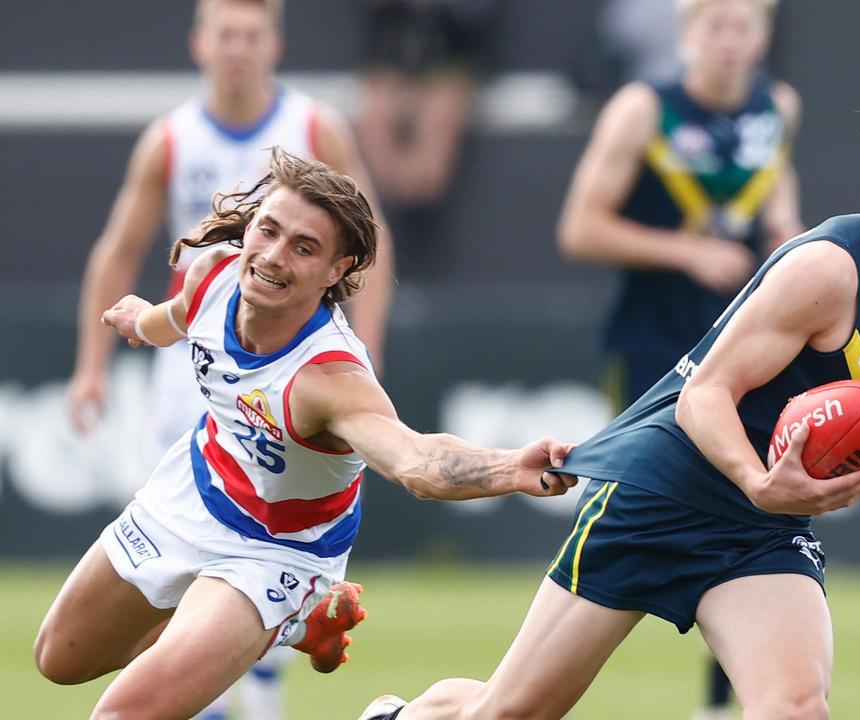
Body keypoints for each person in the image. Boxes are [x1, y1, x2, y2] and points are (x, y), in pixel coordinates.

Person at [359, 73, 860, 720]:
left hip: (758, 529)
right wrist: (759, 482)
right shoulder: (828, 269)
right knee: (507, 714)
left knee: (796, 708)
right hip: (660, 499)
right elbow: (703, 397)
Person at [34, 148, 577, 720]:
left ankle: (285, 613)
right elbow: (177, 318)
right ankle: (278, 626)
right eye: (267, 231)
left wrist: (511, 467)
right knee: (58, 659)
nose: (272, 257)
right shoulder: (213, 273)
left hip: (274, 551)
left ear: (336, 271)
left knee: (120, 716)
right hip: (192, 489)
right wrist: (138, 321)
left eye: (304, 247)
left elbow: (414, 460)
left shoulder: (330, 378)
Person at [64, 1, 395, 716]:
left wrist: (366, 353)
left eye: (252, 35)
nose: (239, 50)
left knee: (262, 540)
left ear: (273, 44)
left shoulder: (314, 128)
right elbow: (119, 246)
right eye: (227, 36)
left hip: (289, 365)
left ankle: (256, 690)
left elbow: (368, 238)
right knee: (177, 559)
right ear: (199, 45)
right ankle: (287, 630)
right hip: (199, 359)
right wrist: (91, 363)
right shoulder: (171, 138)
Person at [557, 0, 800, 714]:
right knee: (625, 517)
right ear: (687, 33)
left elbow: (778, 212)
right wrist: (685, 252)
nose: (729, 42)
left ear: (764, 33)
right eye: (714, 26)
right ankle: (526, 684)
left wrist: (800, 251)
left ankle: (726, 701)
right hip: (655, 348)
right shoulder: (642, 109)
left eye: (744, 26)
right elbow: (580, 228)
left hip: (753, 353)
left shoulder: (777, 107)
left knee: (757, 514)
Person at [355, 0, 496, 207]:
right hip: (394, 58)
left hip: (451, 58)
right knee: (375, 114)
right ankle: (388, 202)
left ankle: (415, 191)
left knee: (440, 112)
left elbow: (474, 15)